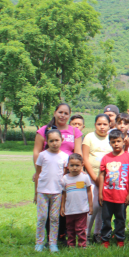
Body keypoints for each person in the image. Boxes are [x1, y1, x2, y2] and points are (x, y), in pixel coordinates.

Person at [32, 103, 82, 246]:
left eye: (66, 113)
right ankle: (44, 239)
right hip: (48, 176)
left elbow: (77, 152)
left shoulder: (74, 132)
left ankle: (60, 236)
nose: (63, 116)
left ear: (69, 115)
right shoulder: (43, 130)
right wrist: (38, 171)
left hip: (68, 174)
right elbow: (37, 152)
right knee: (45, 212)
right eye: (60, 112)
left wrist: (75, 172)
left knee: (62, 208)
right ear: (54, 113)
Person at [98, 129, 129, 248]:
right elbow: (101, 175)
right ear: (109, 143)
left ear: (123, 142)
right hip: (107, 195)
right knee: (106, 219)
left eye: (118, 141)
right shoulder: (106, 158)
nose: (116, 144)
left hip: (122, 196)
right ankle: (105, 238)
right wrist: (100, 193)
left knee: (120, 219)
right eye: (113, 141)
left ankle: (120, 238)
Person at [34, 129, 69, 252]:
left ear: (62, 140)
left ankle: (52, 243)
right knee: (42, 217)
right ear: (47, 142)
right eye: (51, 141)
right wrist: (35, 193)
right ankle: (39, 242)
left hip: (57, 192)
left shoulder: (65, 157)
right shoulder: (42, 155)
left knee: (54, 218)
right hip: (42, 192)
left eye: (57, 140)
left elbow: (64, 176)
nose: (54, 143)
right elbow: (37, 174)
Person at [82, 114, 112, 243]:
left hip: (108, 179)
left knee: (102, 207)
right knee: (92, 206)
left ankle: (98, 233)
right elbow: (85, 159)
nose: (102, 127)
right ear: (95, 125)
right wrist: (94, 178)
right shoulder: (89, 137)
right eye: (99, 124)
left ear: (109, 125)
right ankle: (85, 235)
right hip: (91, 177)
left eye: (105, 124)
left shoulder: (112, 137)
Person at [60, 153, 93, 248]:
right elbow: (64, 194)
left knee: (81, 228)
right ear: (68, 166)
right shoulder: (65, 179)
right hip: (69, 210)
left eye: (77, 165)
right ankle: (71, 244)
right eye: (72, 165)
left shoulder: (84, 177)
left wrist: (90, 206)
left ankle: (82, 245)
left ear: (82, 165)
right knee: (70, 229)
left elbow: (89, 192)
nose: (74, 168)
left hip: (82, 209)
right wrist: (62, 207)